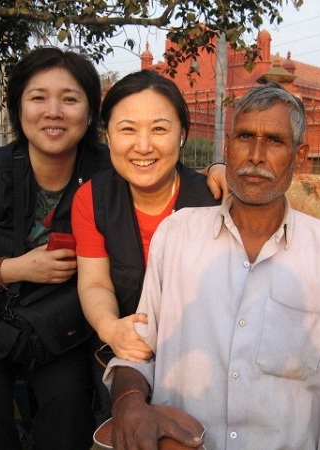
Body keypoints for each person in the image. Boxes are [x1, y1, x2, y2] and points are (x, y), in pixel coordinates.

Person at [104, 84, 320, 449]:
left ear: (300, 154)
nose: (256, 155)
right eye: (245, 137)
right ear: (228, 146)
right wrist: (129, 403)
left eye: (275, 141)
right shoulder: (177, 236)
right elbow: (140, 352)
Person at [0, 47, 112, 450]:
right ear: (18, 108)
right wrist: (18, 268)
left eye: (69, 98)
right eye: (38, 97)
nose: (54, 111)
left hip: (57, 318)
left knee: (69, 410)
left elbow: (165, 170)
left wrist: (217, 172)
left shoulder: (108, 172)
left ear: (89, 111)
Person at [72, 70, 223, 424]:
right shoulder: (92, 199)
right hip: (121, 360)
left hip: (201, 367)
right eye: (127, 129)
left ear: (182, 135)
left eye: (159, 129)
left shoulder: (214, 200)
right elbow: (94, 282)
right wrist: (112, 329)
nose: (143, 146)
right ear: (108, 137)